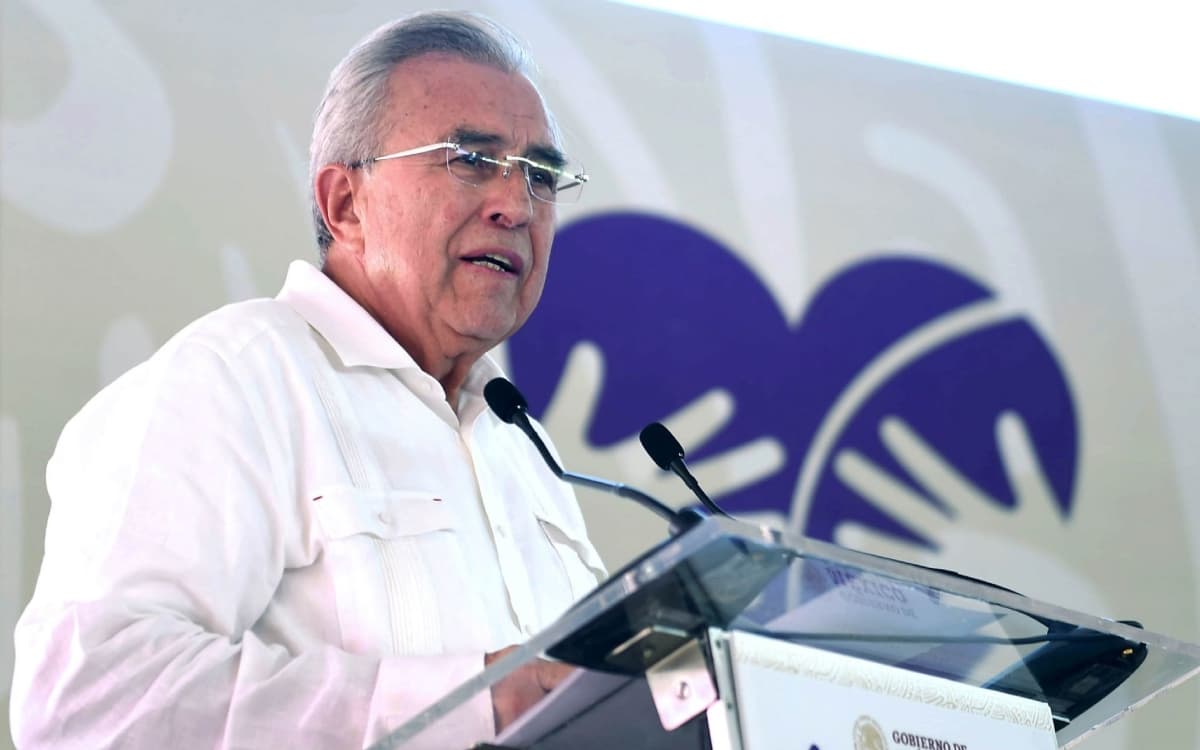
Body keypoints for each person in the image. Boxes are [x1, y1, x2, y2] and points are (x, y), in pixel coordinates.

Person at [10, 11, 606, 749]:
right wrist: (468, 706)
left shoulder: (523, 445)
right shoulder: (235, 379)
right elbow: (86, 699)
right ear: (345, 205)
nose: (516, 206)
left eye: (540, 175)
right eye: (471, 160)